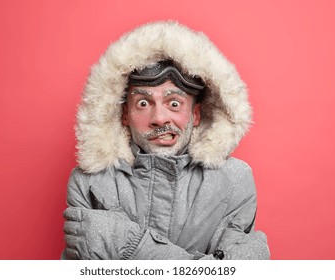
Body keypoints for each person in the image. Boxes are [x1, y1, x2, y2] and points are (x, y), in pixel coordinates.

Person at [62, 21, 270, 260]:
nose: (159, 118)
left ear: (195, 114)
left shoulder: (234, 180)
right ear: (124, 115)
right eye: (143, 103)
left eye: (174, 103)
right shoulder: (91, 182)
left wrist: (131, 245)